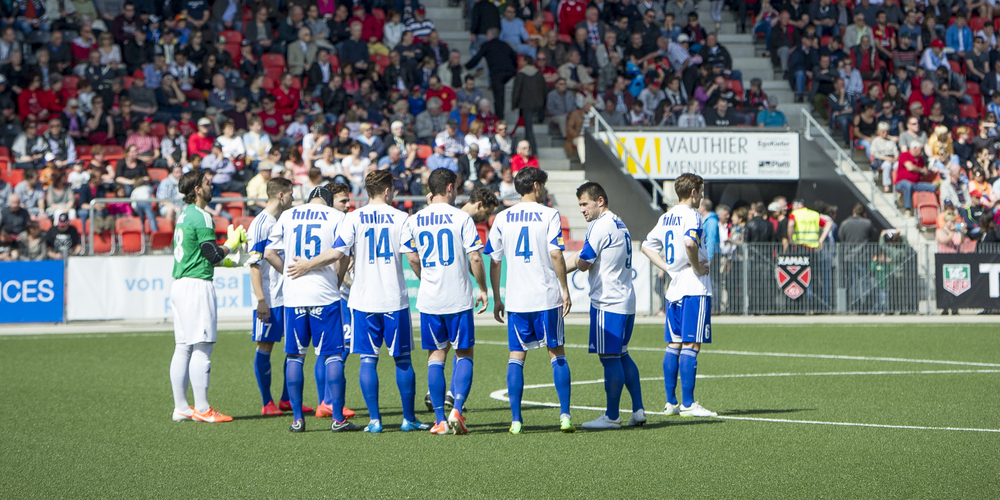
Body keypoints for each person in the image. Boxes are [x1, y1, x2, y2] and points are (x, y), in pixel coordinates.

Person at [287, 170, 429, 434]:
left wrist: (309, 265)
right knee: (402, 359)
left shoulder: (352, 217)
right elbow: (412, 258)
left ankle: (374, 420)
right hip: (393, 300)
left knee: (367, 360)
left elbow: (337, 252)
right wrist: (426, 280)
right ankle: (408, 418)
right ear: (387, 191)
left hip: (362, 300)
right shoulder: (401, 218)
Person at [262, 185, 361, 433]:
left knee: (295, 355)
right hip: (324, 294)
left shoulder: (288, 215)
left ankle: (297, 419)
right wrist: (336, 282)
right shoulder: (337, 216)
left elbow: (269, 253)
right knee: (333, 355)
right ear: (328, 202)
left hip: (294, 294)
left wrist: (288, 272)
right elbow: (343, 255)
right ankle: (337, 418)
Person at [485, 167, 574, 434]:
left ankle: (515, 420)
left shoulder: (501, 217)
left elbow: (495, 260)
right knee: (556, 353)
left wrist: (497, 298)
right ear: (535, 185)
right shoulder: (550, 214)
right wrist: (564, 289)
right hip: (546, 296)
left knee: (516, 356)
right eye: (543, 185)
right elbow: (556, 254)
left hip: (517, 299)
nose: (544, 190)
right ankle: (566, 416)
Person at [401, 169, 489, 434]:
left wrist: (425, 277)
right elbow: (475, 257)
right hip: (458, 298)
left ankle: (439, 419)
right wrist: (482, 288)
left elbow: (413, 257)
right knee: (464, 354)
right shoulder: (462, 217)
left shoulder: (414, 219)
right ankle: (457, 410)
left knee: (435, 357)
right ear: (450, 187)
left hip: (430, 299)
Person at [564, 182, 646, 429]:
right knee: (622, 355)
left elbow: (583, 262)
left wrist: (559, 266)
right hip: (625, 299)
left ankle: (612, 416)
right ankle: (638, 409)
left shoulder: (600, 226)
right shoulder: (619, 223)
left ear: (600, 200)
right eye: (579, 205)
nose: (582, 210)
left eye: (585, 204)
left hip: (607, 302)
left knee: (609, 358)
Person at [168, 169, 246, 424]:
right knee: (202, 347)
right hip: (196, 287)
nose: (212, 186)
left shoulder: (185, 215)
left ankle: (181, 407)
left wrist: (231, 262)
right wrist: (232, 243)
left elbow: (200, 257)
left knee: (183, 347)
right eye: (208, 183)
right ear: (198, 190)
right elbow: (212, 254)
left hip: (180, 283)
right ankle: (202, 408)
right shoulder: (202, 216)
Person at [640, 173, 717, 418]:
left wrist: (667, 267)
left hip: (674, 288)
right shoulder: (692, 214)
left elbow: (646, 246)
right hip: (694, 286)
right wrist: (695, 267)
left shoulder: (666, 216)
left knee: (674, 343)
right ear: (693, 191)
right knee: (692, 343)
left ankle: (671, 402)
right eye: (701, 191)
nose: (702, 195)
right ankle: (688, 403)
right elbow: (690, 244)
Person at [246, 177, 297, 417]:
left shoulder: (282, 220)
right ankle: (267, 402)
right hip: (270, 298)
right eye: (291, 194)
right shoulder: (260, 223)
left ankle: (287, 399)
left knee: (294, 347)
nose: (293, 199)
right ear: (280, 195)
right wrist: (260, 299)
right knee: (265, 345)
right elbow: (254, 264)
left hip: (288, 296)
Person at [464, 27, 517, 122]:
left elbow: (477, 58)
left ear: (489, 35)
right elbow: (514, 56)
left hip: (497, 73)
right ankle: (500, 117)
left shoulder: (487, 45)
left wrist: (467, 66)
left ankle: (500, 119)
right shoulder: (505, 45)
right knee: (500, 91)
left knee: (498, 96)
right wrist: (514, 70)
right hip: (509, 72)